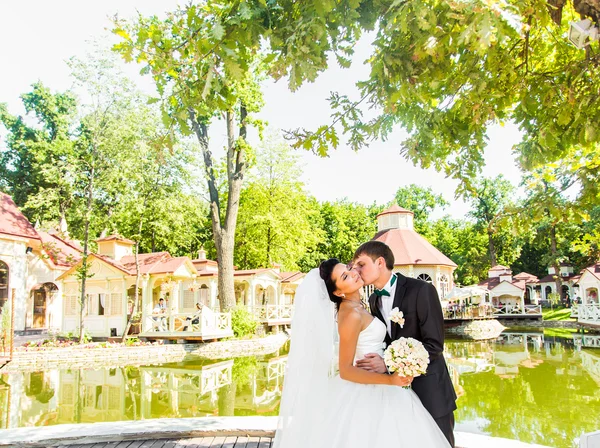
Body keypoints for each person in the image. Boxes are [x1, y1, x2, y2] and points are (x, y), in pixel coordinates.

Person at [273, 261, 450, 448]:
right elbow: (346, 370)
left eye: (348, 269)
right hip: (369, 389)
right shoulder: (351, 315)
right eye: (345, 277)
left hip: (383, 381)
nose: (353, 273)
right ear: (338, 292)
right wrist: (391, 380)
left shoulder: (361, 305)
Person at [353, 241, 457, 447]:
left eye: (361, 264)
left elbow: (434, 345)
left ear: (380, 262)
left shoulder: (422, 290)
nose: (356, 270)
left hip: (430, 391)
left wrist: (388, 365)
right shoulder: (374, 299)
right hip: (397, 396)